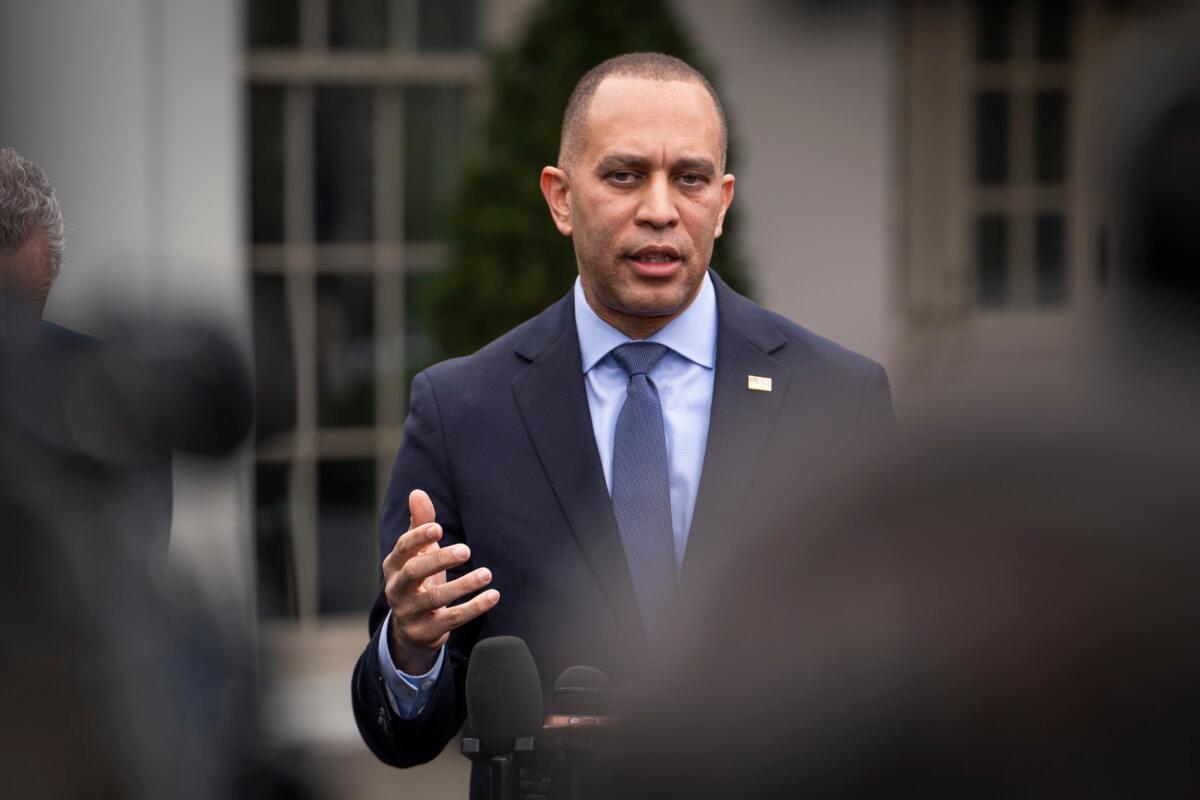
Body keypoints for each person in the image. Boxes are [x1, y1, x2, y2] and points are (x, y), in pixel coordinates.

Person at [350, 52, 894, 796]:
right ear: (560, 196)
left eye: (691, 178)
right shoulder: (462, 411)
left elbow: (895, 681)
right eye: (625, 175)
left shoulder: (837, 399)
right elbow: (400, 735)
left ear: (724, 199)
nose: (661, 210)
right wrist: (411, 650)